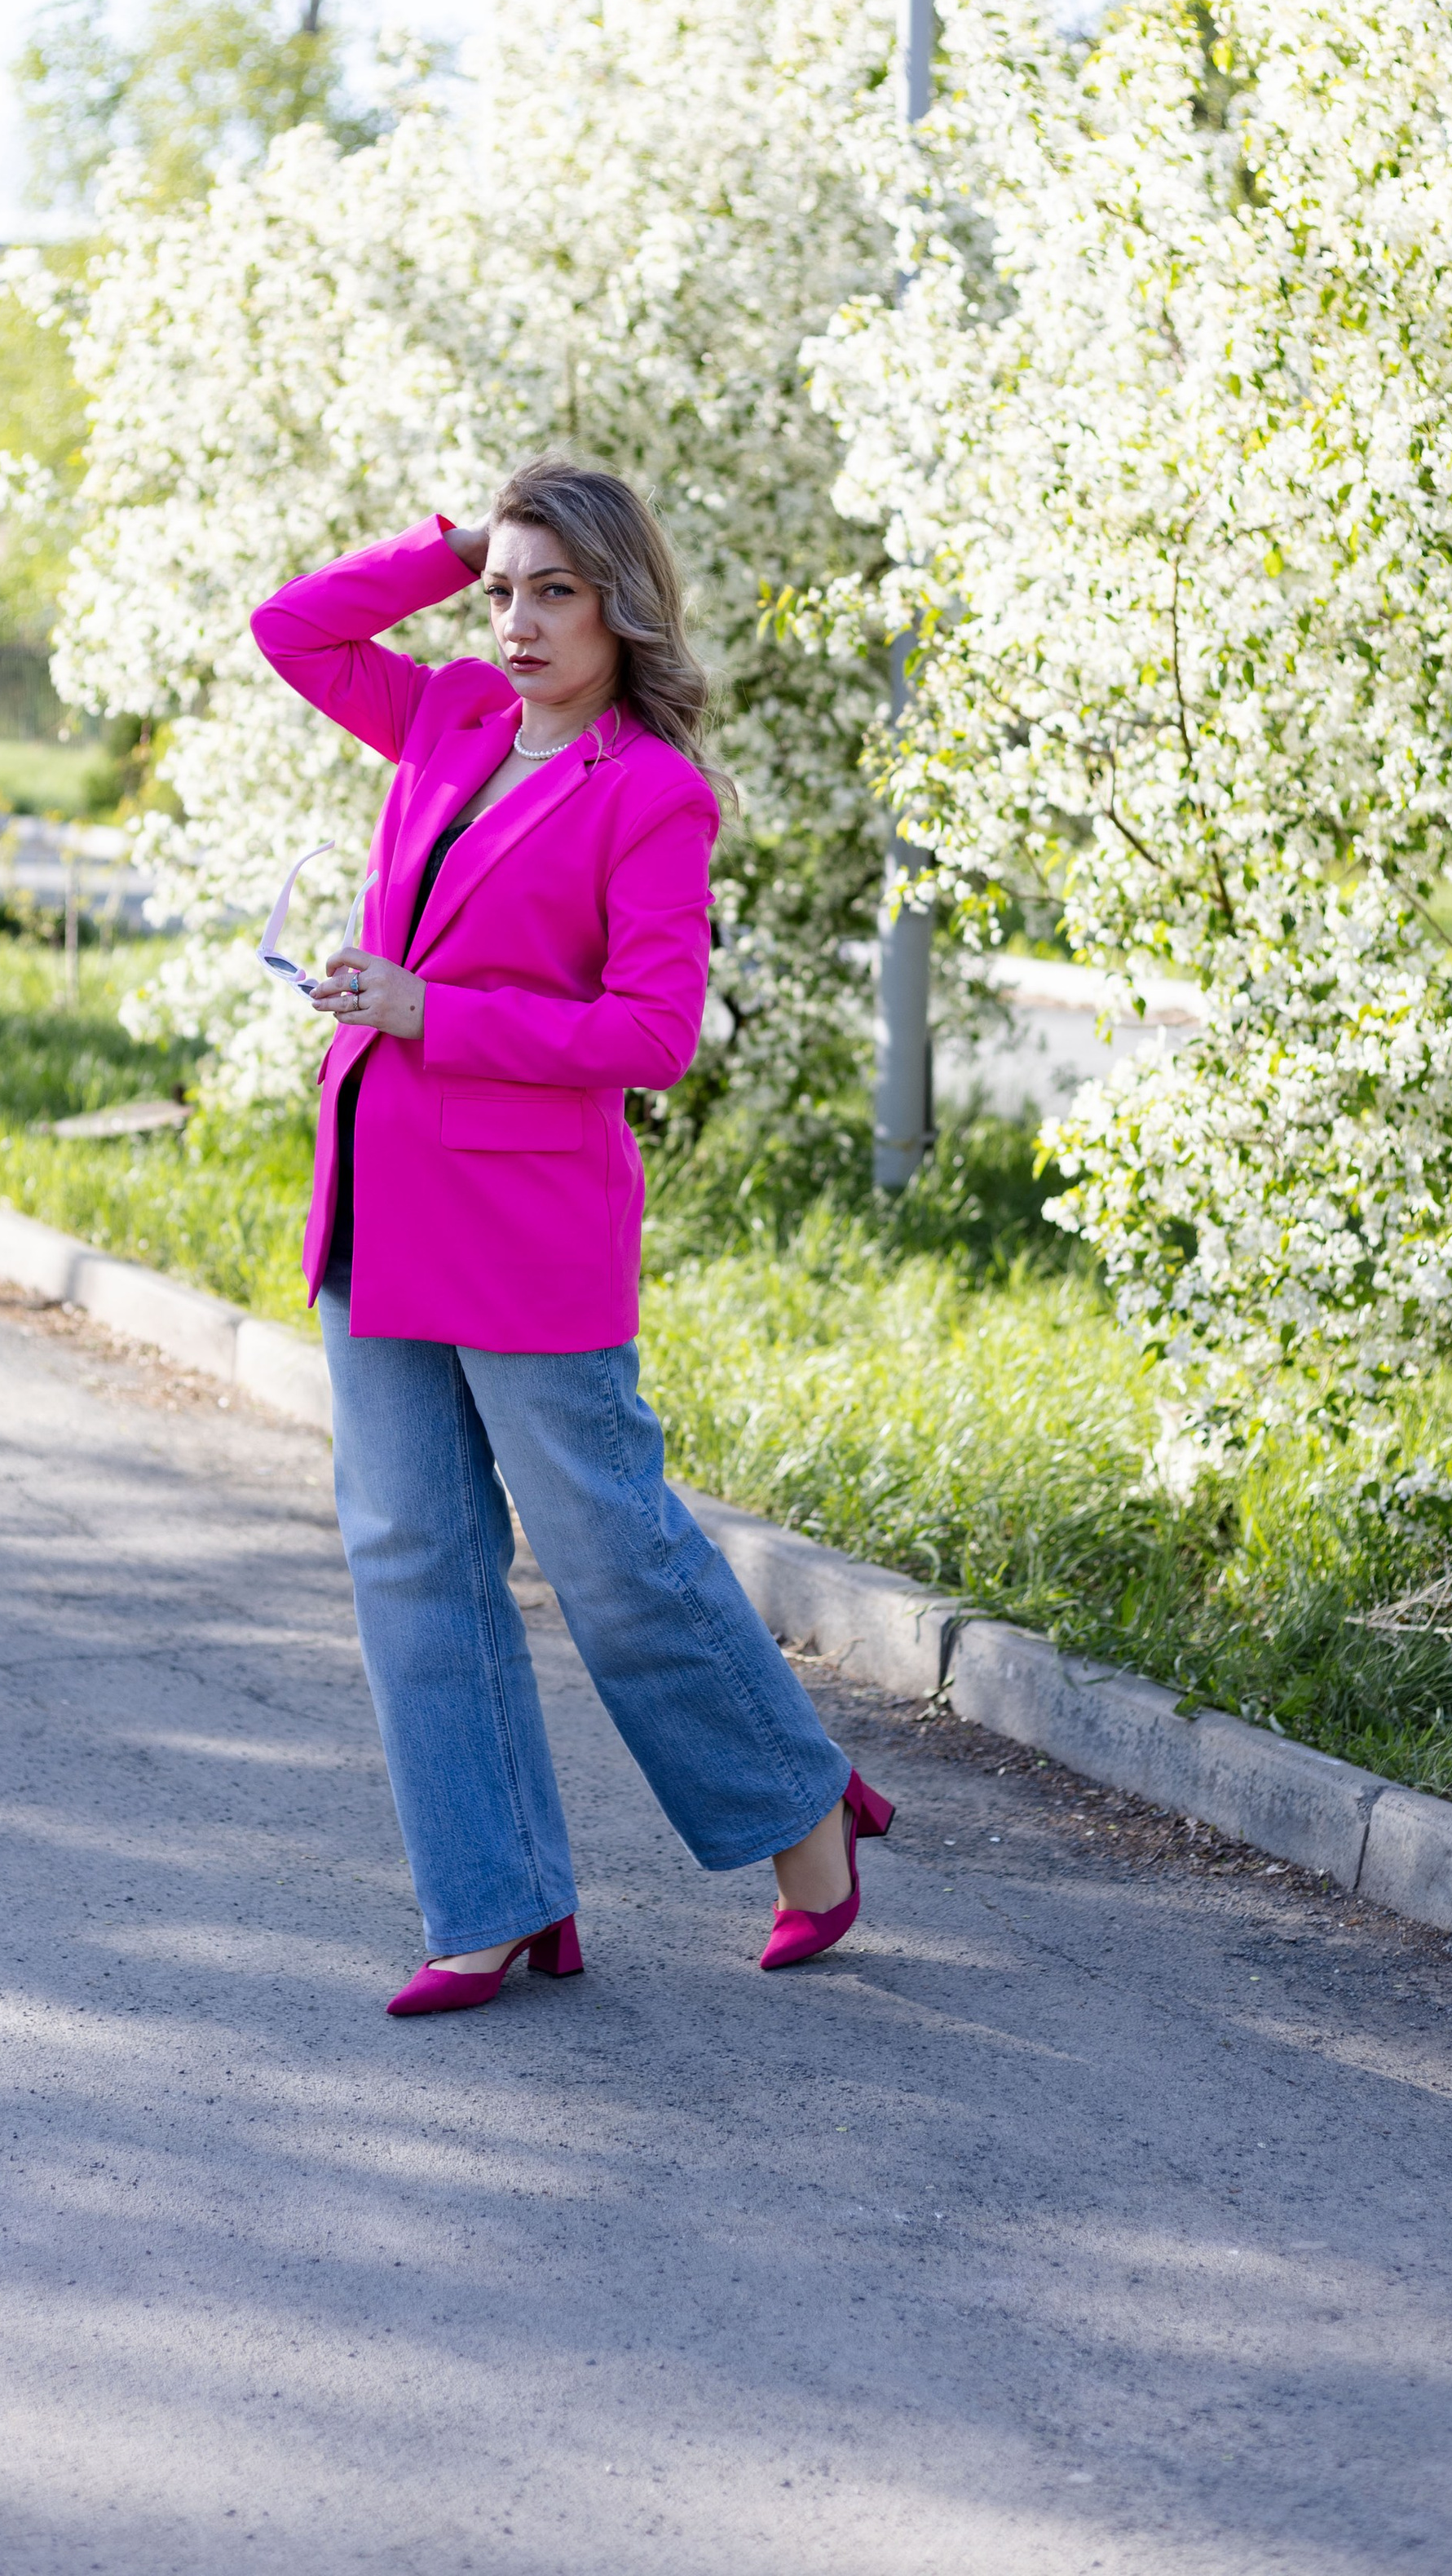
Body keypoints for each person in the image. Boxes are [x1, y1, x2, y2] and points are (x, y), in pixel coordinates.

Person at [250, 459, 891, 2017]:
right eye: (504, 592)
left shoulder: (654, 793)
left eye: (556, 589)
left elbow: (654, 1033)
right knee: (412, 1559)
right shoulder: (455, 716)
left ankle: (805, 1814)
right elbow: (293, 628)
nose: (520, 622)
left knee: (613, 1554)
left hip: (529, 1226)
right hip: (377, 1203)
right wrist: (462, 536)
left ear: (620, 603)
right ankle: (496, 1908)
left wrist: (430, 1011)